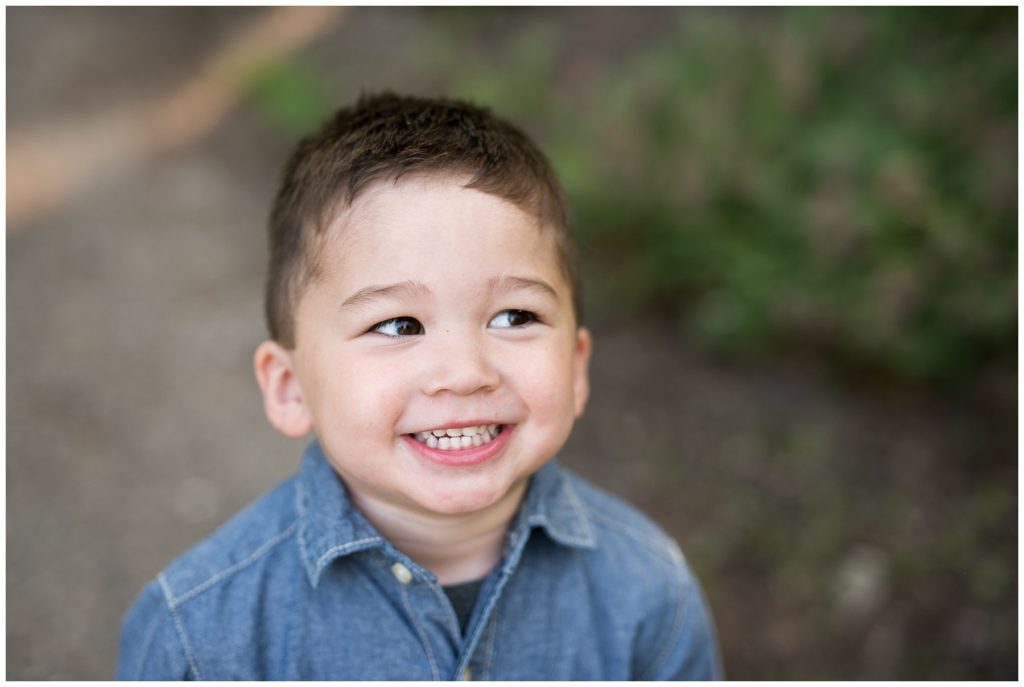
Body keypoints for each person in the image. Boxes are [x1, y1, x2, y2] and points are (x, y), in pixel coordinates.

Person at [116, 93, 722, 680]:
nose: (464, 372)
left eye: (514, 317)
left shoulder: (647, 591)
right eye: (398, 324)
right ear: (290, 387)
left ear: (576, 367)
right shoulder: (200, 637)